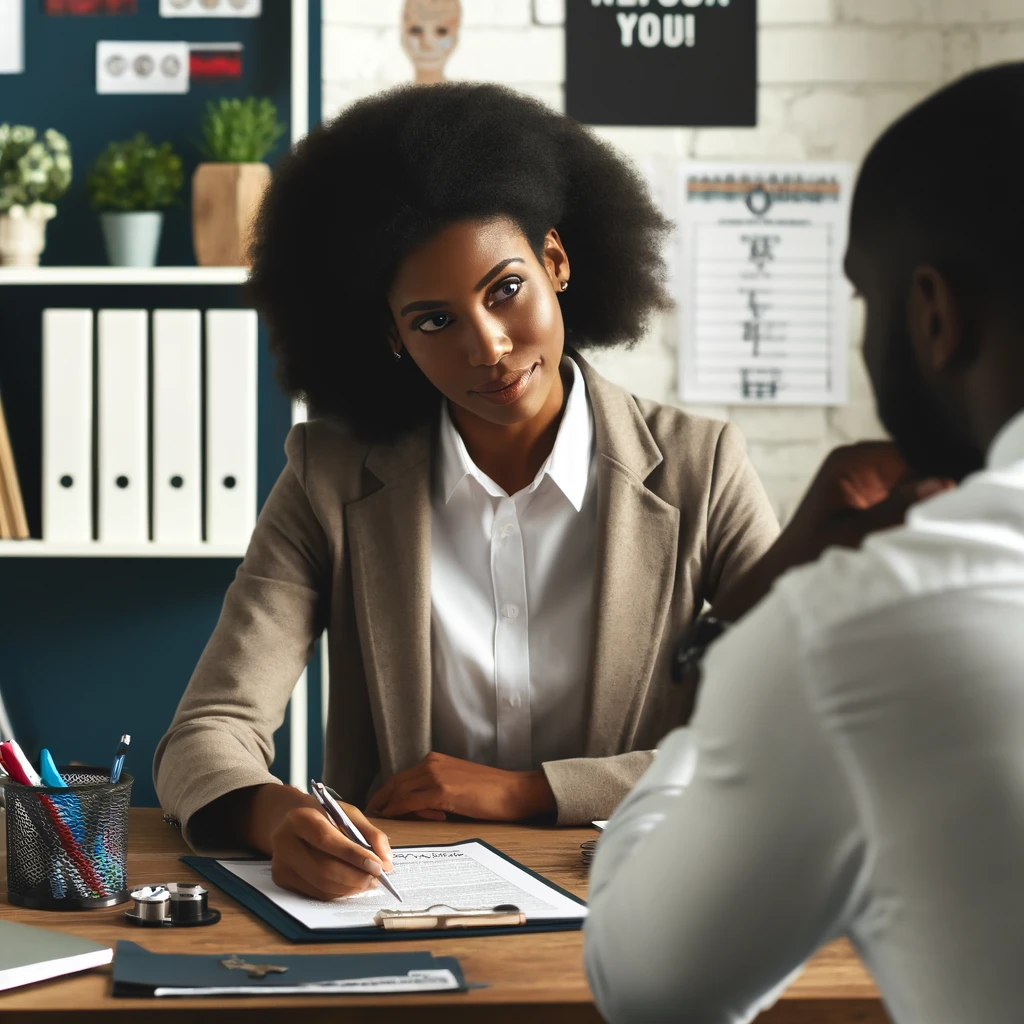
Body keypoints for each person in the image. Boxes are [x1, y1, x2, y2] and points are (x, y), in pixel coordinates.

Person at [153, 82, 779, 902]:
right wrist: (272, 816)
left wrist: (531, 792)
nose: (488, 348)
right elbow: (206, 733)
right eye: (434, 321)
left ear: (556, 262)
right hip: (395, 903)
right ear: (393, 336)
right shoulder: (329, 478)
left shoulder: (701, 467)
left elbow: (795, 725)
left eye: (505, 289)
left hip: (636, 894)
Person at [584, 62, 1024, 1024]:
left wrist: (736, 675)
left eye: (862, 300)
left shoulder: (859, 631)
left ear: (935, 315)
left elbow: (651, 991)